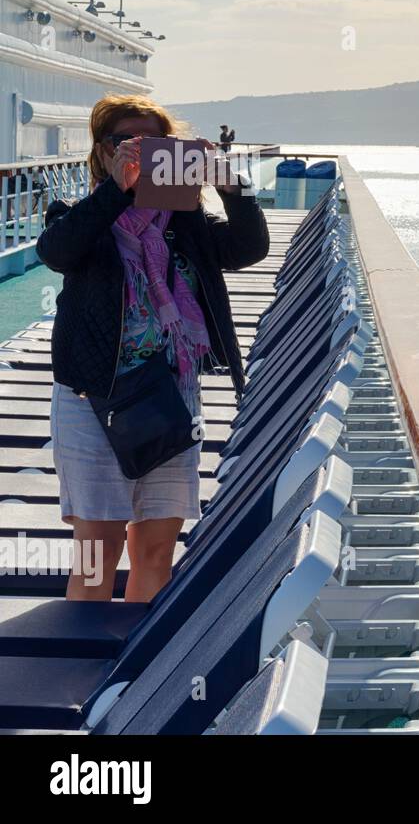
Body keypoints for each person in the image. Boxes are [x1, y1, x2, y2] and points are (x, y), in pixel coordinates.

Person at [37, 94, 269, 602]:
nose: (140, 152)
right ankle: (83, 670)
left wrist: (234, 188)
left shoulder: (186, 227)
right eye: (127, 142)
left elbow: (248, 249)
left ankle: (133, 672)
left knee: (156, 550)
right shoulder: (78, 218)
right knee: (98, 551)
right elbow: (57, 253)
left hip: (168, 397)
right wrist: (118, 193)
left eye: (154, 144)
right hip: (92, 402)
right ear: (102, 152)